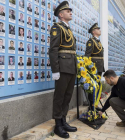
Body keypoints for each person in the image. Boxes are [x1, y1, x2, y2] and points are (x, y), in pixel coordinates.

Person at [49, 1, 77, 138]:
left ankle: (63, 121)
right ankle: (58, 125)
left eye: (70, 11)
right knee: (59, 97)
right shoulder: (57, 28)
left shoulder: (68, 29)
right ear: (61, 15)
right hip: (63, 66)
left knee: (67, 96)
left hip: (71, 66)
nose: (70, 12)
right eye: (67, 11)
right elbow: (53, 50)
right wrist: (55, 70)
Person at [98, 70, 125, 135]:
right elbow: (110, 99)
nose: (106, 82)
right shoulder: (115, 87)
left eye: (107, 80)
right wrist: (102, 111)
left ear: (111, 78)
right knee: (112, 100)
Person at [85, 23, 105, 110]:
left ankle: (95, 104)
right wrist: (89, 68)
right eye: (97, 29)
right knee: (92, 86)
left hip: (99, 66)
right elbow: (87, 55)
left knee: (97, 86)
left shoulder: (98, 41)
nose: (99, 30)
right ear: (93, 31)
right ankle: (91, 105)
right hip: (94, 67)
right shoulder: (91, 41)